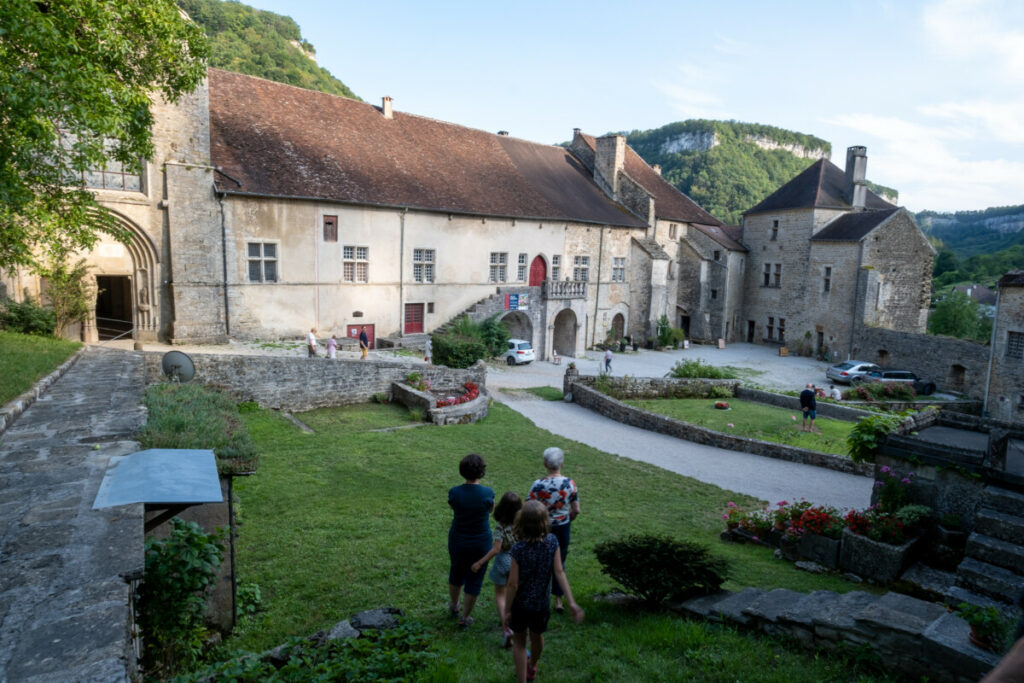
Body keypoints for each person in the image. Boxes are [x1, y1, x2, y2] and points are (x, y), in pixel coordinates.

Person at [506, 500, 584, 683]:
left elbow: (512, 584)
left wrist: (507, 609)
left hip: (520, 605)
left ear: (521, 523)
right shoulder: (552, 542)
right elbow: (559, 572)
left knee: (519, 642)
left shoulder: (518, 549)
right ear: (545, 522)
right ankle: (533, 665)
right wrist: (571, 601)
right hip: (541, 605)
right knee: (537, 637)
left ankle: (521, 680)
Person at [528, 447, 580, 613]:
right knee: (560, 561)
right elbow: (576, 509)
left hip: (542, 527)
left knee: (539, 560)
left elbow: (527, 506)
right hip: (562, 527)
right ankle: (558, 600)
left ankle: (538, 595)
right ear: (562, 464)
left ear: (545, 464)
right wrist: (567, 518)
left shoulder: (538, 485)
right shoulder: (570, 484)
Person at [447, 453, 494, 629]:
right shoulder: (488, 493)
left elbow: (453, 506)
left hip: (458, 539)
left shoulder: (454, 492)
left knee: (456, 572)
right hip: (480, 542)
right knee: (475, 579)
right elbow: (490, 510)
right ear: (481, 472)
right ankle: (465, 617)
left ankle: (454, 605)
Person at [471, 491, 523, 647]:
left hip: (503, 562)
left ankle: (506, 627)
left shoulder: (501, 527)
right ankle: (515, 621)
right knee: (513, 591)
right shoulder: (521, 525)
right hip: (518, 561)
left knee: (500, 594)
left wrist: (480, 563)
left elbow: (496, 549)